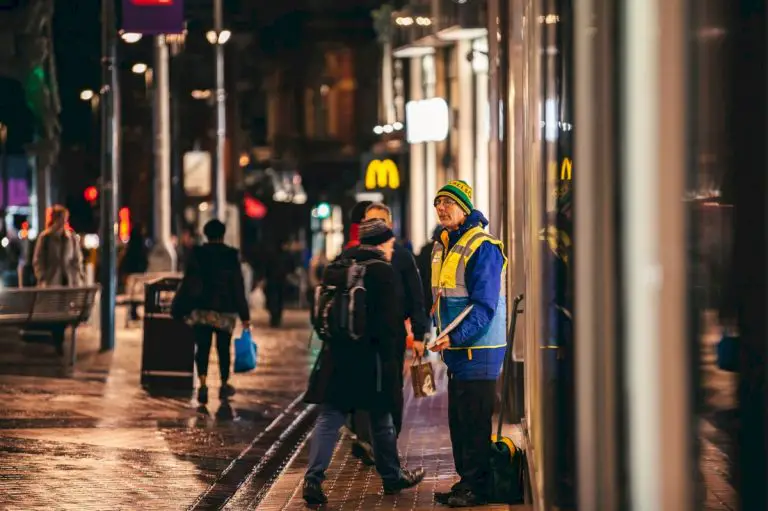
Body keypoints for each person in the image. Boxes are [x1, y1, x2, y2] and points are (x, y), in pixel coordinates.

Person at [302, 219, 425, 505]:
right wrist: (395, 359)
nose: (392, 247)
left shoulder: (338, 265)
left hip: (337, 355)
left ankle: (313, 478)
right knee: (381, 418)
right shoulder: (382, 271)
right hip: (373, 359)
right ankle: (392, 477)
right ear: (382, 242)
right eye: (390, 243)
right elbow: (390, 324)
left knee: (330, 416)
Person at [428, 180, 507, 507]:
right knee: (460, 424)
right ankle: (466, 482)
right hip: (457, 352)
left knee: (474, 423)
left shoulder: (483, 246)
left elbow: (484, 305)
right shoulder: (443, 244)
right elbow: (439, 298)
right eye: (438, 203)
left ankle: (478, 488)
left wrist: (454, 335)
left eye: (448, 202)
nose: (442, 208)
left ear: (465, 207)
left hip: (480, 350)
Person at [359, 203, 429, 431]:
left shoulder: (402, 257)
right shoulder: (354, 257)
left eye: (381, 222)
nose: (376, 227)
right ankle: (367, 438)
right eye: (371, 222)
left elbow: (417, 297)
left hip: (392, 334)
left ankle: (391, 438)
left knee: (391, 386)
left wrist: (419, 334)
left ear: (390, 226)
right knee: (364, 385)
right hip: (361, 335)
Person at [181, 219, 251, 405]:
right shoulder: (231, 255)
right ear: (223, 234)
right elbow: (237, 286)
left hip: (202, 309)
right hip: (225, 311)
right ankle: (224, 384)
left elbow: (189, 281)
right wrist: (245, 315)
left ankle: (203, 385)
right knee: (223, 349)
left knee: (202, 348)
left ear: (206, 234)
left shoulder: (197, 253)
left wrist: (184, 307)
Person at [32, 205, 85, 355]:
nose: (63, 222)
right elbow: (38, 260)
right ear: (54, 219)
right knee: (55, 314)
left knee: (64, 313)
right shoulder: (46, 238)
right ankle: (58, 340)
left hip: (67, 281)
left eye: (65, 218)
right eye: (61, 218)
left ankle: (58, 340)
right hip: (52, 282)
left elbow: (77, 259)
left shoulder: (71, 238)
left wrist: (78, 276)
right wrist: (42, 276)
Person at [119, 225, 149, 321]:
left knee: (133, 292)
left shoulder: (129, 249)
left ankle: (132, 312)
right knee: (137, 291)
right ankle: (134, 312)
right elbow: (145, 262)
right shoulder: (142, 248)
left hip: (131, 279)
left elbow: (124, 264)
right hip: (139, 279)